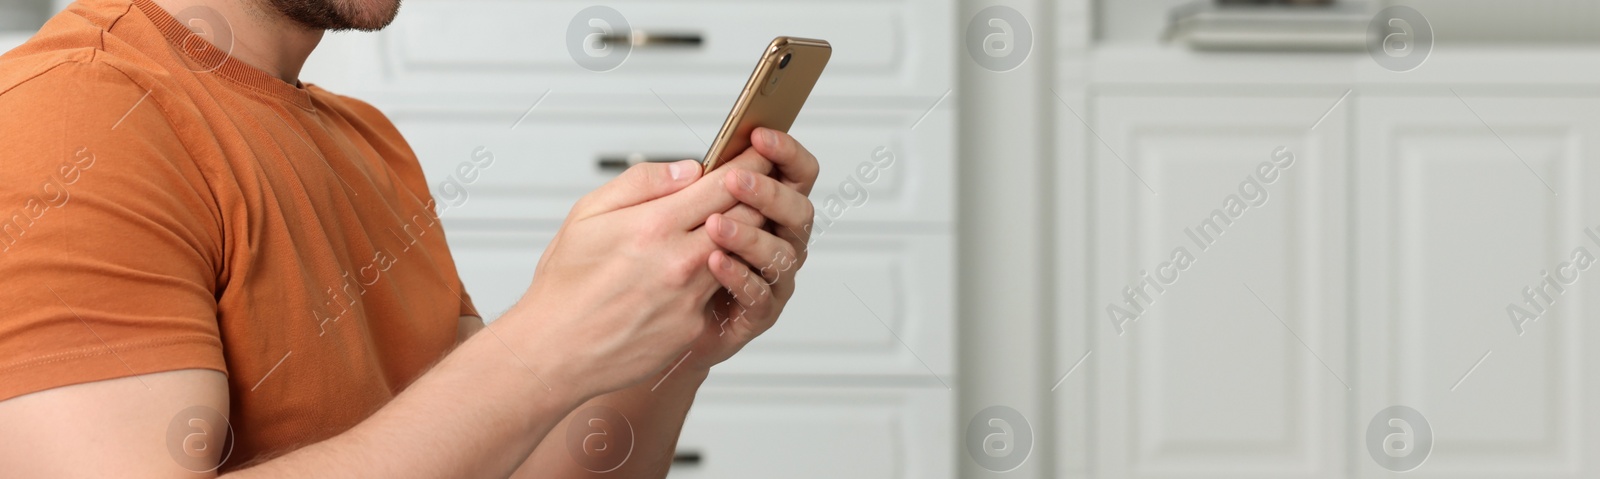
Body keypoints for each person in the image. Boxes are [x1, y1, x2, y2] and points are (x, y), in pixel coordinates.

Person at [0, 0, 819, 476]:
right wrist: (544, 345)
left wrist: (676, 342)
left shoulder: (366, 139)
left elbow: (513, 463)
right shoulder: (69, 115)